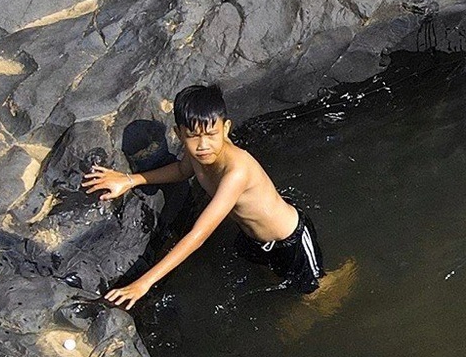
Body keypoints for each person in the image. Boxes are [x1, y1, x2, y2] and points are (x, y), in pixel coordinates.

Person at [84, 84, 325, 306]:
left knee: (314, 294)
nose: (203, 145)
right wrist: (129, 180)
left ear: (226, 129)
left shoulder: (237, 171)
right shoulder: (199, 154)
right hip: (252, 236)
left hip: (290, 239)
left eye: (211, 135)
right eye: (193, 137)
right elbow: (180, 170)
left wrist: (143, 283)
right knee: (267, 275)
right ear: (179, 134)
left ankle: (343, 276)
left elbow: (198, 235)